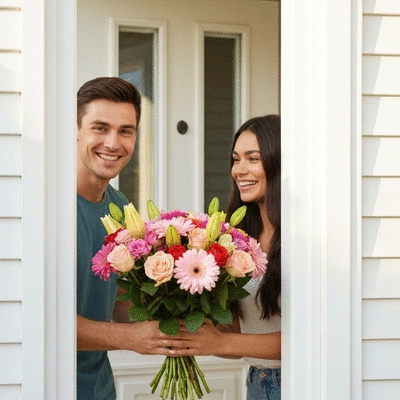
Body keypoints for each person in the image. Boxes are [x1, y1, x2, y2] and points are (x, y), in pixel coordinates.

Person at [76, 77, 178, 400]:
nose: (113, 143)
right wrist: (130, 337)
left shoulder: (121, 208)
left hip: (100, 389)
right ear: (76, 129)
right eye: (100, 128)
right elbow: (46, 321)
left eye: (126, 131)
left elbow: (117, 298)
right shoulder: (48, 208)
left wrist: (172, 313)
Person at [170, 115, 282, 399]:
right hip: (258, 381)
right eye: (236, 159)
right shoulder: (239, 238)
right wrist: (189, 319)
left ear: (279, 162)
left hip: (298, 382)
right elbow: (242, 334)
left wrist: (220, 342)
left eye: (252, 158)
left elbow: (309, 339)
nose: (239, 170)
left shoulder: (301, 240)